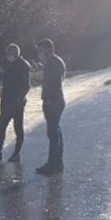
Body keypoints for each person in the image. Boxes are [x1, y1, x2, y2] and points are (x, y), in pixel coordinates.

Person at [0, 43, 31, 163]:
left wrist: (18, 101)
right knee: (1, 127)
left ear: (16, 53)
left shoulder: (23, 66)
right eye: (8, 54)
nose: (9, 56)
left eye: (11, 54)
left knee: (17, 127)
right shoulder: (10, 65)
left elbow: (26, 86)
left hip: (16, 103)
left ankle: (16, 153)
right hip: (7, 102)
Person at [35, 38, 66, 176]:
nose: (39, 53)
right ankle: (56, 162)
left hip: (54, 101)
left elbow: (54, 84)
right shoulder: (50, 63)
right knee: (54, 132)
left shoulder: (54, 63)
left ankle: (53, 163)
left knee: (53, 133)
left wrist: (48, 100)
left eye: (41, 50)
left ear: (48, 49)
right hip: (51, 100)